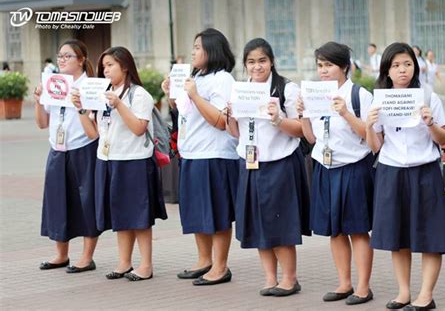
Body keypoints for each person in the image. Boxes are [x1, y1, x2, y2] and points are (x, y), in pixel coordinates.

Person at [366, 42, 445, 310]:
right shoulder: (378, 99)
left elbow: (444, 138)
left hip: (424, 171)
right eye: (395, 65)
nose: (402, 70)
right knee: (397, 234)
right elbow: (375, 146)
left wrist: (430, 124)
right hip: (391, 171)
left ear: (415, 67)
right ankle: (403, 292)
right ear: (387, 71)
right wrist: (369, 125)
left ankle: (425, 295)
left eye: (407, 64)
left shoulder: (428, 96)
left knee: (431, 235)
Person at [73, 46, 168, 281]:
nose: (105, 70)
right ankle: (124, 263)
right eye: (103, 66)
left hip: (134, 162)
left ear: (125, 66)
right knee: (120, 214)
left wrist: (119, 105)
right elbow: (93, 134)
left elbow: (138, 128)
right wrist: (82, 109)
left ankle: (146, 265)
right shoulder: (103, 94)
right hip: (107, 160)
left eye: (110, 65)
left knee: (139, 216)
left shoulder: (139, 95)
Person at [225, 38, 310, 297]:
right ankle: (270, 277)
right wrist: (229, 116)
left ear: (271, 61)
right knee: (259, 223)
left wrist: (278, 119)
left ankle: (290, 278)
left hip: (280, 163)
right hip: (250, 163)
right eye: (251, 62)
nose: (257, 67)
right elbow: (235, 133)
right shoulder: (241, 89)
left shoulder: (287, 88)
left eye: (262, 61)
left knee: (280, 223)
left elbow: (301, 131)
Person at [296, 41, 375, 305]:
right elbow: (310, 138)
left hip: (353, 167)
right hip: (325, 166)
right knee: (335, 231)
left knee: (358, 229)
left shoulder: (359, 95)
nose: (323, 71)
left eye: (329, 65)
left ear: (344, 67)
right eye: (320, 65)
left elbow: (370, 135)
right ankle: (344, 283)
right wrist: (303, 114)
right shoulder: (315, 95)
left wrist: (346, 113)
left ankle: (363, 287)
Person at [162, 28, 239, 286]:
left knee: (217, 212)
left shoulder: (222, 79)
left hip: (214, 154)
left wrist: (194, 95)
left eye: (198, 47)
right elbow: (186, 113)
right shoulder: (195, 77)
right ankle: (204, 260)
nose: (193, 51)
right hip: (192, 153)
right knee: (196, 210)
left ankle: (220, 266)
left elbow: (220, 120)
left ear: (212, 50)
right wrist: (172, 97)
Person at [33, 39, 100, 273]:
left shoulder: (90, 86)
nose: (61, 59)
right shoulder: (54, 84)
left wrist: (80, 104)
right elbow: (42, 123)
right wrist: (38, 100)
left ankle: (86, 257)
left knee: (86, 202)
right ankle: (61, 254)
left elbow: (95, 129)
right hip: (57, 151)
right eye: (59, 56)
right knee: (57, 200)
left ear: (81, 60)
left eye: (67, 56)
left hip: (83, 149)